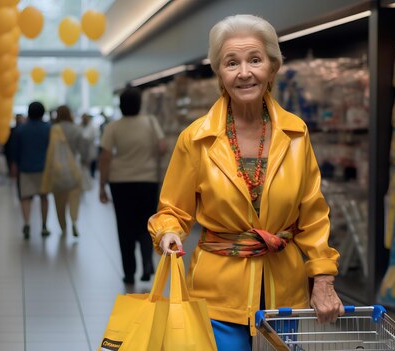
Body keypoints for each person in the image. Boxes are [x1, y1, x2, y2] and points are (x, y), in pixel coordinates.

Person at [147, 15, 344, 350]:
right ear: (219, 74)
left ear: (273, 67)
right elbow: (173, 211)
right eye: (231, 63)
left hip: (285, 290)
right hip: (218, 292)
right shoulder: (196, 139)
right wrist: (168, 232)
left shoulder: (296, 133)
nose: (244, 72)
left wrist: (323, 278)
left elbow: (312, 214)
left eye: (255, 59)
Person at [99, 87, 167, 284]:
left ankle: (129, 272)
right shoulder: (150, 122)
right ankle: (147, 262)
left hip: (120, 182)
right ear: (139, 104)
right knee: (147, 223)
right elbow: (162, 146)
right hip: (147, 180)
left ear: (120, 106)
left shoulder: (113, 127)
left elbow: (105, 156)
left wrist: (102, 185)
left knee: (124, 226)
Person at [14, 102, 51, 239]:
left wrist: (14, 165)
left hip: (25, 168)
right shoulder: (48, 128)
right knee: (44, 197)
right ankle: (44, 225)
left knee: (25, 197)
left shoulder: (21, 129)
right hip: (44, 168)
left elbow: (16, 150)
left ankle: (27, 222)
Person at [50, 105, 87, 237]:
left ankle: (63, 225)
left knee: (59, 199)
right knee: (74, 197)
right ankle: (74, 221)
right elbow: (83, 151)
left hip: (57, 169)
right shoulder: (76, 129)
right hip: (74, 168)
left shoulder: (53, 130)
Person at [80, 113, 99, 178]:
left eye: (85, 118)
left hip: (91, 147)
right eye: (83, 118)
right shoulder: (80, 126)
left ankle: (92, 174)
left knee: (92, 161)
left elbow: (91, 136)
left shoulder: (92, 126)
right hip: (83, 148)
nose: (84, 120)